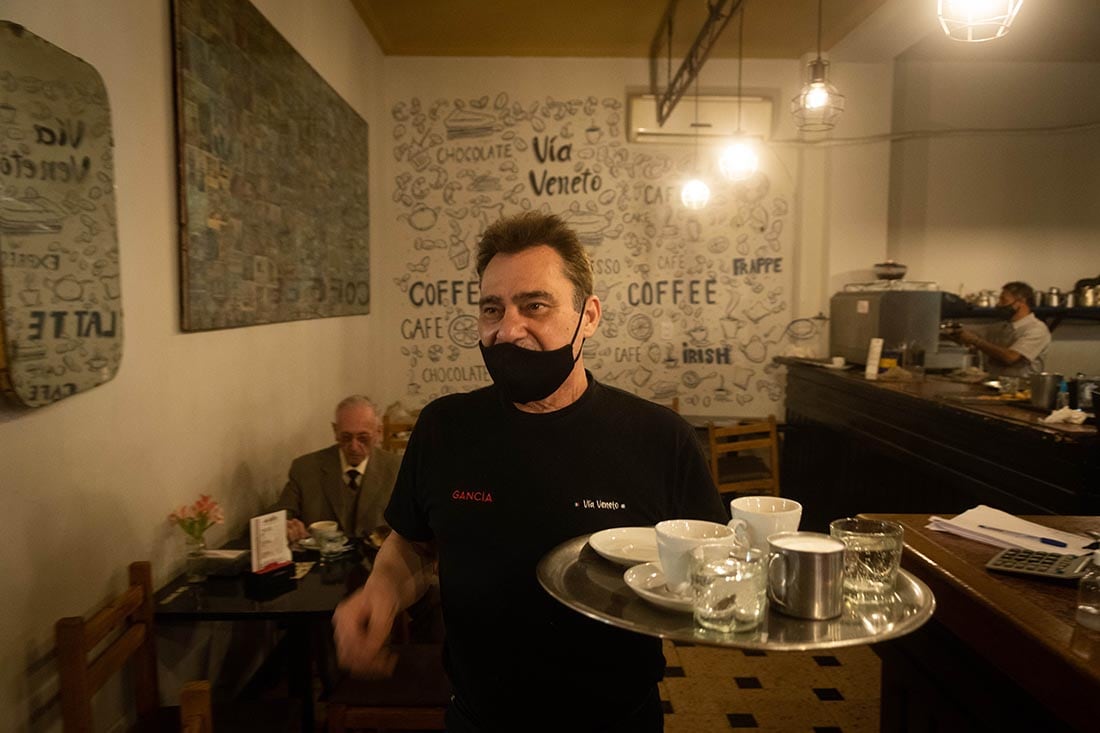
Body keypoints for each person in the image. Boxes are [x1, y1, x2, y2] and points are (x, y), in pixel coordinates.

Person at [333, 212, 726, 732]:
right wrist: (380, 593)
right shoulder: (445, 427)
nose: (507, 329)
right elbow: (413, 545)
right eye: (491, 309)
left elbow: (715, 568)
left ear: (588, 316)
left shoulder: (660, 438)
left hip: (616, 721)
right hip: (479, 718)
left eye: (534, 305)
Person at [271, 395, 401, 541]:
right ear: (335, 431)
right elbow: (278, 516)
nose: (354, 447)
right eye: (346, 437)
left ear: (379, 433)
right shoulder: (305, 469)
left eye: (363, 438)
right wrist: (286, 526)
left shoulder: (398, 469)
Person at [951, 281, 1051, 378]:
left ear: (1021, 302)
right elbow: (970, 331)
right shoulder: (1003, 327)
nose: (998, 304)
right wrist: (951, 330)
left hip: (1022, 390)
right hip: (997, 387)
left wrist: (975, 341)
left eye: (1004, 300)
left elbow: (1011, 357)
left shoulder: (1036, 329)